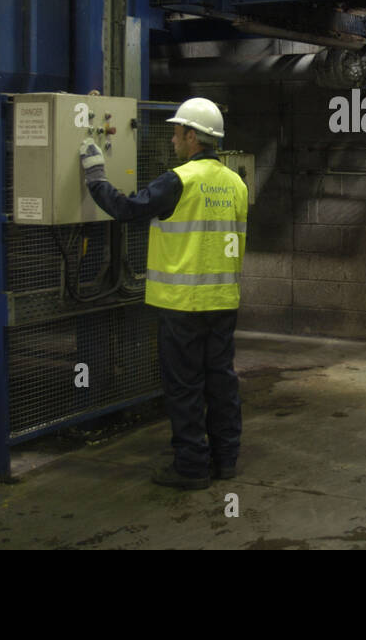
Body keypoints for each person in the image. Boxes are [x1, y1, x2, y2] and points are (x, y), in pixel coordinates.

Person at [78, 97, 248, 490]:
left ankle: (190, 468)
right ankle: (225, 461)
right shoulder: (237, 183)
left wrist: (95, 176)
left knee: (185, 387)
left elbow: (125, 209)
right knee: (221, 383)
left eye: (176, 132)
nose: (172, 139)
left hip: (182, 307)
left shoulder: (178, 180)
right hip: (223, 303)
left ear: (192, 136)